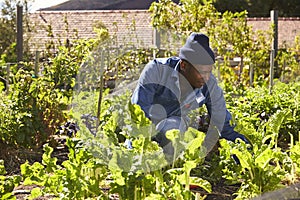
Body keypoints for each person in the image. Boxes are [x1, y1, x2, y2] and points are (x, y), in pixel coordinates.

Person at [131, 32, 248, 157]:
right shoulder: (157, 70)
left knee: (172, 128)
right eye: (201, 72)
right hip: (149, 125)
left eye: (209, 72)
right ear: (184, 65)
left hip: (174, 126)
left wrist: (244, 150)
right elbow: (139, 114)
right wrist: (138, 150)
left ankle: (170, 161)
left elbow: (222, 122)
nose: (206, 77)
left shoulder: (209, 85)